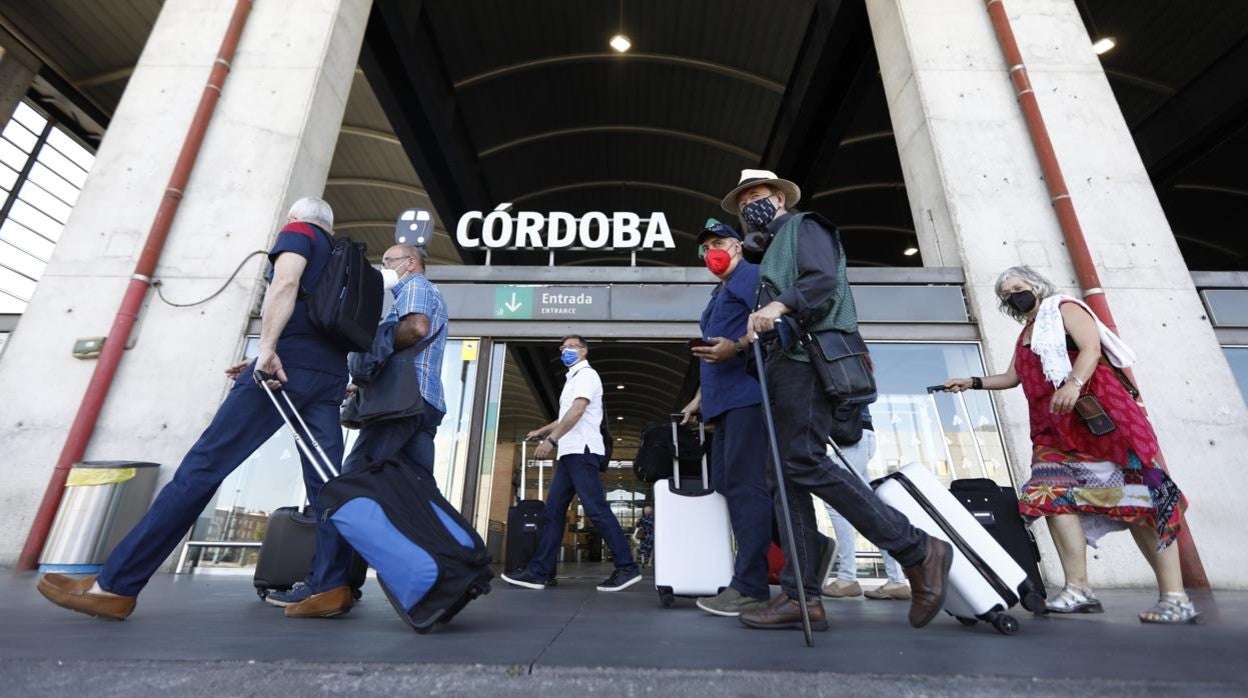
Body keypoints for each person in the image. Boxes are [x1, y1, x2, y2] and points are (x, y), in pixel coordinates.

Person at [37, 197, 358, 620]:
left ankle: (114, 585)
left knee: (201, 469)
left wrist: (266, 349)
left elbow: (285, 284)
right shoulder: (344, 258)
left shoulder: (298, 234)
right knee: (326, 488)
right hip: (329, 376)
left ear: (295, 219)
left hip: (282, 372)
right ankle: (331, 585)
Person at [724, 169, 953, 632]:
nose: (750, 204)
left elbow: (822, 279)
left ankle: (917, 548)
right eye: (743, 199)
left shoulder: (806, 227)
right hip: (784, 363)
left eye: (757, 195)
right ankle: (801, 598)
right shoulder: (768, 254)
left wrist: (777, 306)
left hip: (810, 360)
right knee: (782, 478)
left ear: (780, 199)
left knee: (803, 462)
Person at [943, 265, 1198, 624]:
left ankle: (1175, 598)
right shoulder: (1028, 332)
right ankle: (1078, 588)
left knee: (1141, 504)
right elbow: (1012, 377)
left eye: (1017, 287)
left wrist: (1073, 384)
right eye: (1004, 294)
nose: (1012, 296)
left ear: (1035, 284)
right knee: (1048, 495)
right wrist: (971, 382)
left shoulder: (1064, 308)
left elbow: (1091, 349)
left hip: (1099, 425)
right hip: (1054, 432)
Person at [265, 243, 448, 608]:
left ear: (410, 263)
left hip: (400, 406)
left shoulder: (414, 286)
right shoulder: (430, 293)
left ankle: (325, 585)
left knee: (346, 489)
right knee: (421, 494)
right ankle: (450, 571)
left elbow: (415, 328)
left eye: (389, 261)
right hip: (423, 405)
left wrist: (367, 352)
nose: (386, 267)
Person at [678, 218, 782, 617]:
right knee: (726, 481)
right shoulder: (717, 292)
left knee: (744, 484)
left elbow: (768, 326)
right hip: (721, 402)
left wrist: (735, 348)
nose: (711, 253)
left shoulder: (752, 276)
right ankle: (808, 545)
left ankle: (751, 586)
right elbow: (713, 351)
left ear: (737, 246)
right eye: (705, 248)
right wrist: (698, 400)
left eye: (718, 243)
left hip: (748, 397)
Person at [501, 335, 643, 592]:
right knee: (552, 513)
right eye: (562, 347)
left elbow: (577, 411)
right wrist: (542, 431)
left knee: (595, 509)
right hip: (569, 454)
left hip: (582, 451)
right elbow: (565, 416)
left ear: (584, 352)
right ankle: (539, 572)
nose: (565, 350)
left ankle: (627, 567)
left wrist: (551, 441)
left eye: (571, 347)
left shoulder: (587, 375)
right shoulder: (573, 380)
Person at [822, 406, 912, 601]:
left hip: (851, 437)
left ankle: (847, 578)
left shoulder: (844, 375)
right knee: (870, 507)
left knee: (836, 501)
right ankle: (896, 580)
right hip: (856, 435)